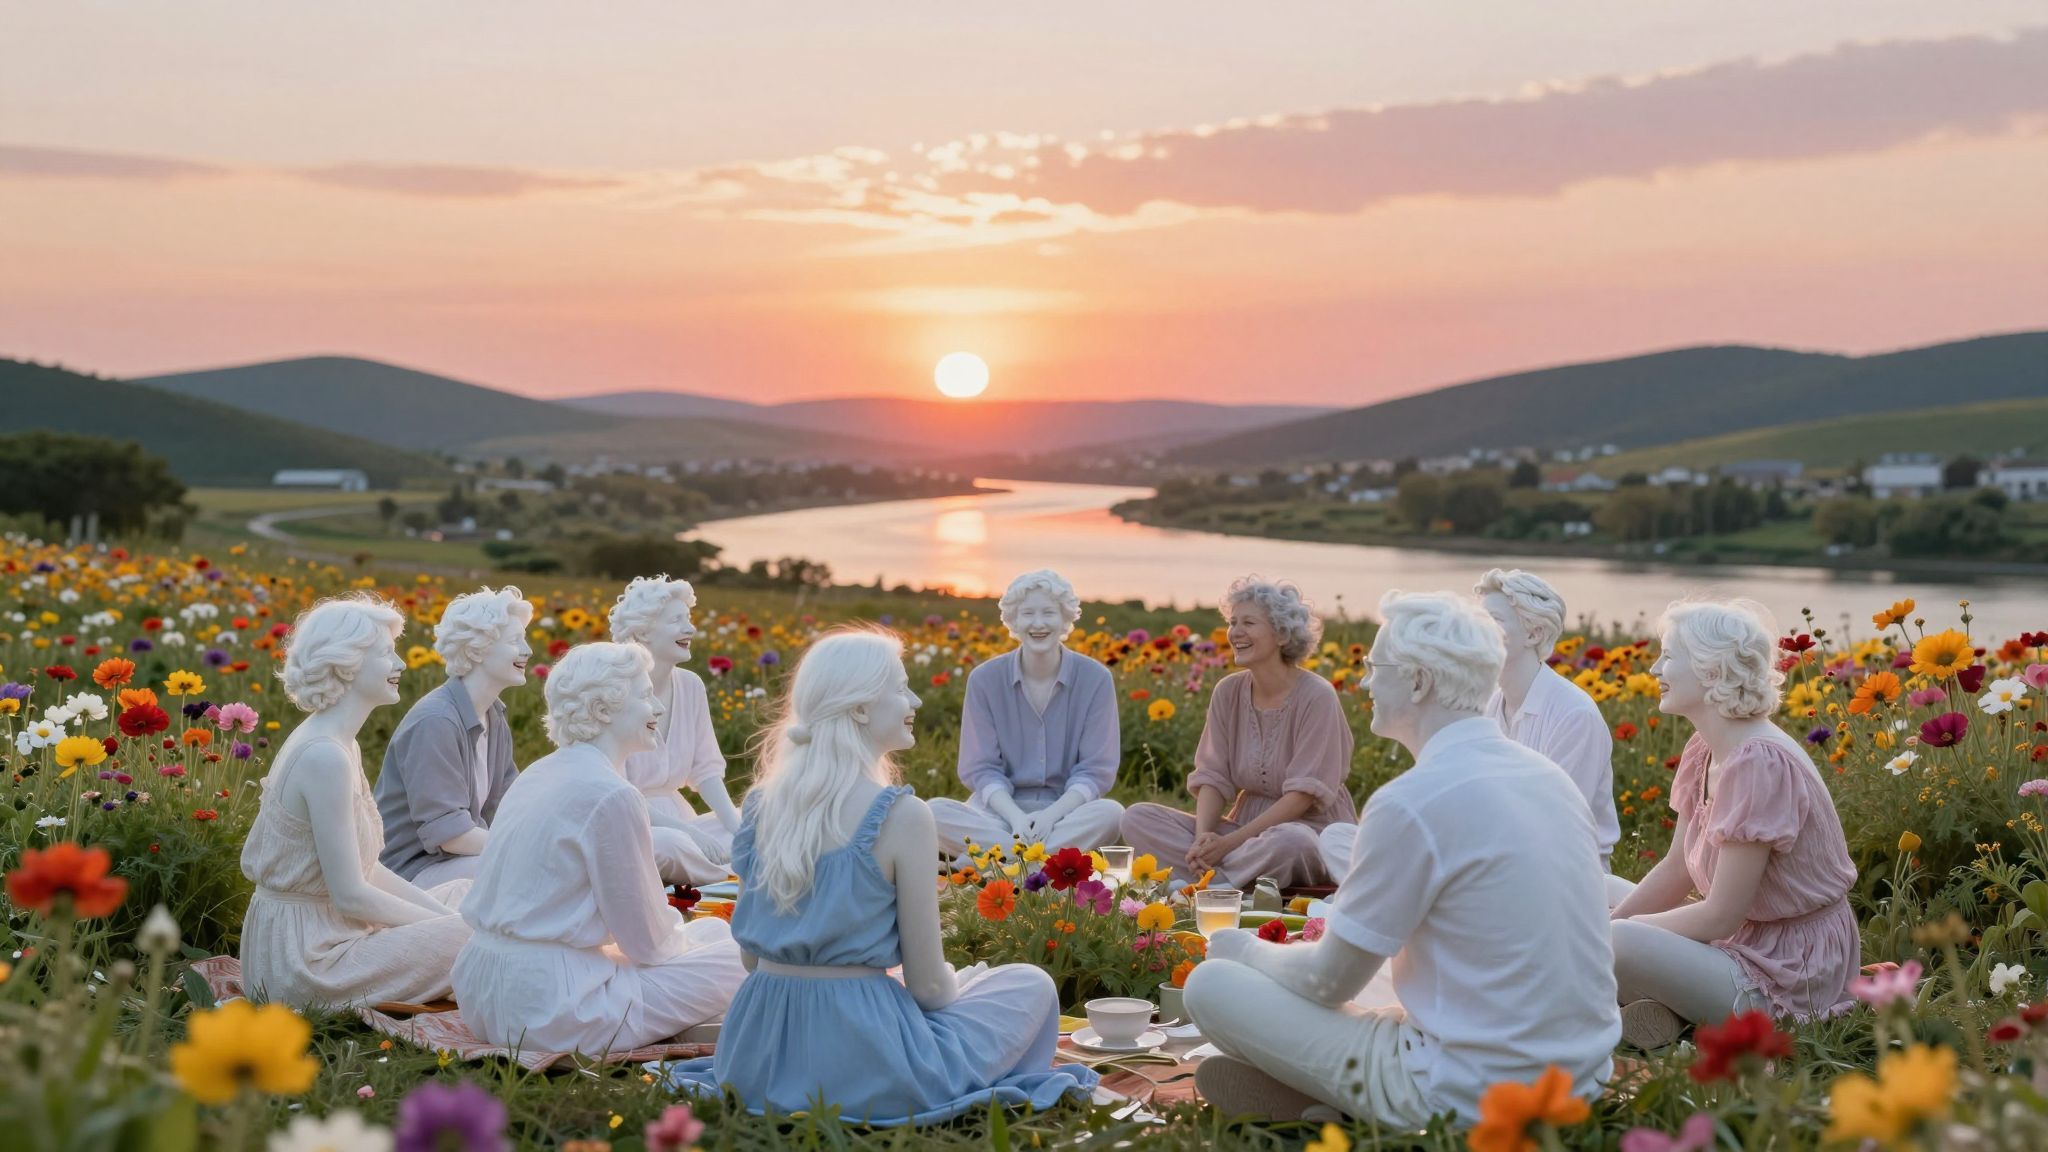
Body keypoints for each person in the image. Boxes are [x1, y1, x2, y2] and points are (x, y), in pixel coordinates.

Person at [1186, 590, 1619, 1126]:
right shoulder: (1547, 778)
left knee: (1213, 981)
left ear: (1418, 681)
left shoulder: (1410, 801)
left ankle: (1346, 1110)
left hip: (1470, 1094)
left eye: (1375, 667)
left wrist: (1240, 949)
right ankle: (1324, 1107)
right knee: (1376, 972)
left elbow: (1328, 982)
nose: (1365, 682)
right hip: (1581, 1080)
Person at [665, 629, 1098, 1124]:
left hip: (755, 1059)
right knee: (1030, 984)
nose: (913, 700)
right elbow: (929, 990)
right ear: (861, 708)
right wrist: (960, 983)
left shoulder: (762, 806)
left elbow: (751, 959)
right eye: (900, 687)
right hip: (869, 1065)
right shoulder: (903, 816)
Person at [451, 642, 746, 1054]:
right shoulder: (613, 794)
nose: (657, 709)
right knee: (744, 956)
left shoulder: (539, 772)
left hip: (480, 989)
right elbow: (647, 943)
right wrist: (688, 941)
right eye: (645, 696)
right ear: (605, 708)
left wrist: (693, 937)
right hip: (554, 1009)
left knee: (712, 930)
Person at [1610, 599, 1858, 1048]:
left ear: (1710, 670)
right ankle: (1663, 1014)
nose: (1653, 669)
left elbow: (1720, 914)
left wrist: (1602, 940)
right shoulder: (1705, 747)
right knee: (1598, 890)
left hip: (1789, 973)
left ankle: (1658, 1013)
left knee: (1616, 942)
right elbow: (1677, 869)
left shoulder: (1758, 762)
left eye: (1668, 656)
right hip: (1742, 941)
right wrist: (1599, 930)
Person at [1318, 569, 1621, 900]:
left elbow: (1554, 829)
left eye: (1492, 619)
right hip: (1481, 851)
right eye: (1478, 618)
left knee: (1406, 860)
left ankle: (1394, 899)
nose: (1479, 629)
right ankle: (1402, 897)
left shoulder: (1573, 713)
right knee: (1340, 838)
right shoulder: (1484, 699)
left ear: (1533, 633)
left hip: (1553, 872)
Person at [240, 594, 473, 1008]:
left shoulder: (341, 743)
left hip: (333, 932)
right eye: (387, 654)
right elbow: (351, 896)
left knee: (467, 896)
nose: (400, 665)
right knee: (476, 934)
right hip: (307, 961)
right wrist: (456, 930)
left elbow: (367, 871)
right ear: (345, 663)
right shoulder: (323, 756)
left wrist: (449, 921)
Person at [1121, 577, 1355, 888]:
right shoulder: (1228, 691)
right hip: (1242, 834)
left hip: (1305, 833)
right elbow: (1212, 776)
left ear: (1282, 634)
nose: (1235, 632)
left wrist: (1228, 845)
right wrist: (1204, 838)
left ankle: (1210, 887)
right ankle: (1224, 880)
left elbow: (1302, 797)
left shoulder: (1317, 696)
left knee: (1292, 841)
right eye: (1233, 622)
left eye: (1248, 623)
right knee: (1137, 817)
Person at [928, 570, 1124, 856]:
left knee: (1112, 814)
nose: (1038, 623)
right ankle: (1041, 865)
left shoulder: (1096, 678)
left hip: (1065, 815)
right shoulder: (984, 679)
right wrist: (1016, 819)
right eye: (1027, 613)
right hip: (997, 814)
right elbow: (981, 769)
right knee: (932, 813)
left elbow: (1095, 772)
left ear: (1065, 618)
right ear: (1013, 621)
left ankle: (1002, 863)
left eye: (1049, 613)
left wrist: (1049, 817)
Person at [375, 586, 529, 886]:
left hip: (458, 863)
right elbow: (451, 837)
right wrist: (527, 848)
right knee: (526, 870)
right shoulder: (436, 721)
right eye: (515, 641)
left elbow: (513, 803)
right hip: (409, 874)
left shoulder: (494, 715)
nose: (527, 651)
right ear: (476, 648)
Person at [609, 575, 740, 884]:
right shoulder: (615, 689)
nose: (690, 629)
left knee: (757, 817)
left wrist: (737, 828)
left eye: (689, 619)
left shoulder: (691, 685)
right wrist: (690, 833)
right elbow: (617, 795)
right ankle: (731, 874)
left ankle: (727, 864)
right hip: (633, 824)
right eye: (676, 621)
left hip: (682, 819)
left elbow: (705, 770)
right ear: (643, 631)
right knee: (672, 846)